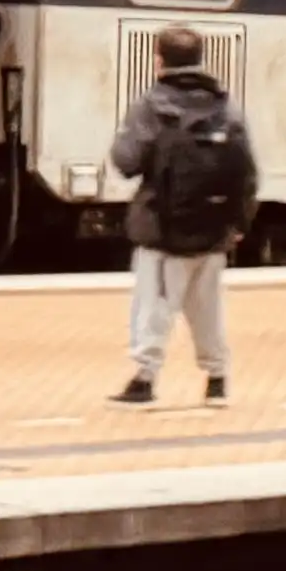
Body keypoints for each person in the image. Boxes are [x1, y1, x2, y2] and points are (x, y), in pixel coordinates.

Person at [103, 20, 255, 405]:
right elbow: (245, 170)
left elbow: (127, 161)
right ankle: (217, 379)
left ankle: (144, 378)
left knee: (154, 305)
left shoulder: (151, 105)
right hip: (214, 228)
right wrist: (238, 222)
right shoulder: (226, 107)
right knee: (207, 309)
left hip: (162, 226)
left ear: (160, 60)